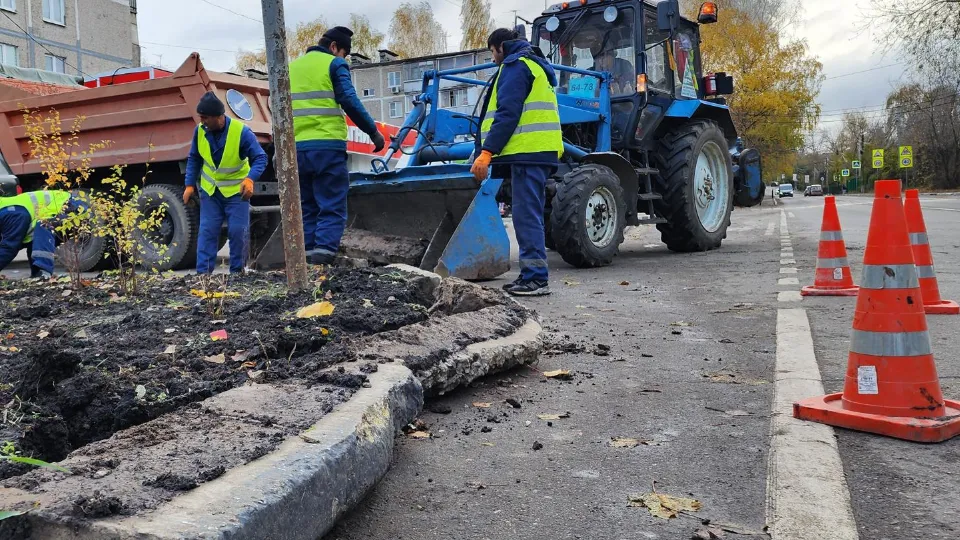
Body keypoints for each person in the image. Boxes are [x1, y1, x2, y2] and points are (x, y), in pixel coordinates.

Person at [471, 28, 563, 297]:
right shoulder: (533, 65)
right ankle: (529, 275)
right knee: (526, 215)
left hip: (529, 153)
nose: (492, 58)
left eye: (492, 51)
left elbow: (508, 113)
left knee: (525, 216)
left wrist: (487, 152)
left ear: (501, 46)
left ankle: (536, 278)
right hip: (532, 153)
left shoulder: (515, 66)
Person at [288, 26, 385, 265]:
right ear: (334, 47)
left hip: (297, 150)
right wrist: (373, 132)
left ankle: (309, 258)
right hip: (326, 147)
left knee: (308, 206)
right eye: (344, 54)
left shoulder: (290, 68)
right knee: (331, 203)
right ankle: (324, 256)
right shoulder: (334, 64)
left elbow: (278, 110)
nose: (344, 60)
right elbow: (349, 100)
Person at [183, 91, 268, 274]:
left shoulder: (241, 132)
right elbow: (194, 158)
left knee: (238, 232)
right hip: (210, 191)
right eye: (201, 117)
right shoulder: (200, 131)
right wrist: (189, 184)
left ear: (218, 116)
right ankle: (203, 276)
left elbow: (261, 158)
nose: (202, 121)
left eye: (205, 117)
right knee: (207, 231)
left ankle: (237, 274)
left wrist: (250, 179)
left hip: (237, 193)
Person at [0, 189, 82, 279]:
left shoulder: (10, 212)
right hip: (67, 208)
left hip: (73, 207)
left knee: (43, 225)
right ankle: (37, 275)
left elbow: (9, 247)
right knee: (34, 241)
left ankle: (44, 273)